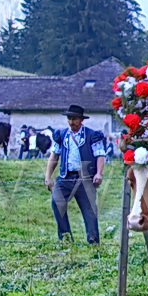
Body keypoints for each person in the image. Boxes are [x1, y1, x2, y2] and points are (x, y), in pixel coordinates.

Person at [45, 104, 107, 244]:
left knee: (89, 210)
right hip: (65, 177)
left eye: (74, 119)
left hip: (85, 179)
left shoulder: (92, 135)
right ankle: (65, 238)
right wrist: (48, 177)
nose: (71, 122)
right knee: (57, 203)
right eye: (69, 119)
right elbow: (54, 156)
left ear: (81, 120)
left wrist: (99, 173)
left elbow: (100, 156)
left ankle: (93, 240)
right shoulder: (61, 135)